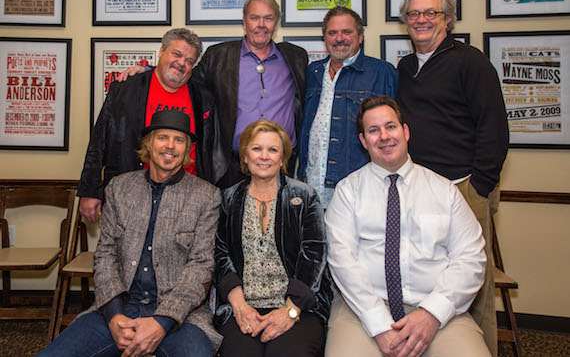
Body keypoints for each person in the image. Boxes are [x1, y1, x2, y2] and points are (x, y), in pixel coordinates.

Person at [38, 110, 222, 356]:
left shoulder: (206, 196)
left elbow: (201, 266)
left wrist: (162, 321)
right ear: (148, 144)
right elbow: (105, 255)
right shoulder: (119, 188)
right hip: (118, 309)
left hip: (180, 317)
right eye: (162, 137)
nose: (170, 146)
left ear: (187, 149)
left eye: (179, 140)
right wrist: (114, 316)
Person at [325, 96, 490, 357]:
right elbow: (341, 261)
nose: (384, 136)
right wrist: (379, 325)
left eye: (390, 126)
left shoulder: (444, 191)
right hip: (362, 308)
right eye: (373, 130)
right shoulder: (348, 192)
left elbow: (470, 259)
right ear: (363, 140)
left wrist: (431, 314)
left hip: (436, 309)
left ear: (406, 131)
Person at [397, 0, 509, 355]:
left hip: (464, 189)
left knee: (473, 285)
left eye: (430, 13)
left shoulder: (470, 61)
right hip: (420, 190)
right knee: (425, 280)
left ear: (447, 19)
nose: (421, 20)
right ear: (406, 21)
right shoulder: (406, 67)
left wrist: (480, 187)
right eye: (414, 14)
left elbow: (494, 129)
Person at [120, 0, 308, 188]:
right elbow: (187, 78)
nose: (261, 24)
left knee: (279, 218)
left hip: (280, 164)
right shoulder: (218, 56)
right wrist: (150, 70)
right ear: (244, 22)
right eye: (254, 18)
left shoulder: (295, 57)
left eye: (268, 18)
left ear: (276, 23)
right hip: (232, 166)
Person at [214, 120, 332, 356]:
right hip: (244, 304)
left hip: (298, 306)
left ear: (283, 158)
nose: (264, 156)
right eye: (257, 149)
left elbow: (314, 258)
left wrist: (290, 311)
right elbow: (221, 255)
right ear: (245, 156)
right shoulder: (229, 198)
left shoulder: (304, 196)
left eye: (273, 150)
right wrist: (240, 307)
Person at [77, 28, 205, 224]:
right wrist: (90, 190)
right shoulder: (126, 88)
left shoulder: (201, 95)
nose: (181, 63)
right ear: (161, 52)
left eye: (189, 61)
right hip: (131, 193)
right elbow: (98, 141)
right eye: (176, 54)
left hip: (186, 198)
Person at [298, 6, 398, 208]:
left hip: (359, 191)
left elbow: (394, 133)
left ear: (360, 36)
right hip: (311, 190)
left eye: (347, 32)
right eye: (332, 32)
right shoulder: (312, 73)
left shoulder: (381, 73)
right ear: (325, 38)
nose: (339, 38)